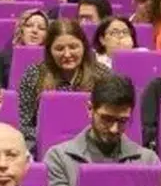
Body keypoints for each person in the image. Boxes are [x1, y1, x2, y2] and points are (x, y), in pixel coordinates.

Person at [44, 75, 159, 186]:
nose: (114, 129)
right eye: (106, 119)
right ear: (90, 109)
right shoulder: (59, 158)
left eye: (122, 121)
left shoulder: (148, 161)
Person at [16, 19, 110, 154]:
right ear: (49, 50)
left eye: (73, 47)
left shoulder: (102, 75)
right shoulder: (35, 74)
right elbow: (23, 123)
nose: (67, 54)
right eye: (59, 49)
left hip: (93, 146)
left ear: (84, 47)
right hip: (44, 146)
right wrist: (49, 136)